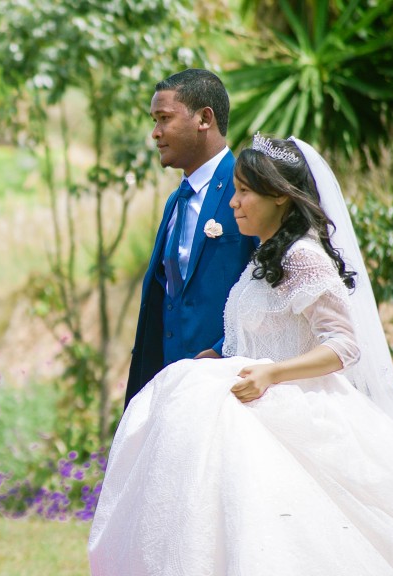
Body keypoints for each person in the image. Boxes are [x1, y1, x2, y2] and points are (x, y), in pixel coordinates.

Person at [88, 134, 393, 575]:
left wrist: (271, 374)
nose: (234, 203)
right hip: (249, 408)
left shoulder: (304, 256)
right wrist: (216, 356)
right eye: (235, 191)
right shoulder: (265, 257)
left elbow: (343, 344)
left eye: (244, 192)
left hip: (293, 411)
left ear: (279, 195)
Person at [125, 69, 258, 408]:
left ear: (204, 118)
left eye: (164, 119)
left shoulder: (249, 190)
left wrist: (221, 350)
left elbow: (272, 289)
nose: (155, 133)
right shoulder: (175, 202)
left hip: (229, 390)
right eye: (154, 121)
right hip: (171, 388)